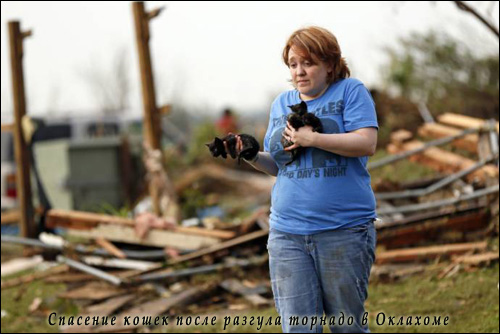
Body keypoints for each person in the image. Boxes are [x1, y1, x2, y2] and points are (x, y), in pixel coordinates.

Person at [224, 26, 378, 333]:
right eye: (293, 64)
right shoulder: (282, 103)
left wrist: (313, 138)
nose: (299, 72)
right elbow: (280, 165)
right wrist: (252, 154)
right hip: (287, 233)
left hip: (343, 230)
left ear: (330, 64)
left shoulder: (350, 91)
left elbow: (366, 143)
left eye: (308, 63)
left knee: (346, 326)